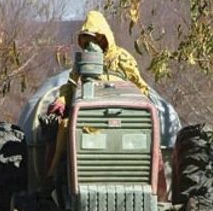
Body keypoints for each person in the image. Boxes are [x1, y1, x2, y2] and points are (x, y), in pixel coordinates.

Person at [45, 10, 149, 178]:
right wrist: (62, 100)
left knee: (151, 140)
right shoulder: (82, 62)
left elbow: (139, 86)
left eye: (94, 39)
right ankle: (54, 176)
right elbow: (70, 86)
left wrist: (146, 102)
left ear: (104, 37)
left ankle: (157, 187)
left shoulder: (122, 58)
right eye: (86, 41)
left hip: (122, 117)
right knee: (64, 126)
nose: (91, 45)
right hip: (89, 119)